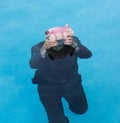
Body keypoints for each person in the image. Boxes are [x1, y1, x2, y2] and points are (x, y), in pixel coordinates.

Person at [29, 26, 92, 123]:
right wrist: (44, 50)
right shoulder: (38, 47)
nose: (59, 45)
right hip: (48, 87)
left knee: (81, 110)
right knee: (57, 121)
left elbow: (87, 54)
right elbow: (33, 65)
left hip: (71, 83)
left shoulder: (72, 41)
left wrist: (75, 45)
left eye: (61, 40)